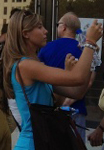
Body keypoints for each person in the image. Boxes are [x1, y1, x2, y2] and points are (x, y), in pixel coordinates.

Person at [1, 9, 102, 150]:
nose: (46, 31)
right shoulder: (26, 66)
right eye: (39, 27)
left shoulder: (34, 65)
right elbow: (77, 78)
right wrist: (90, 43)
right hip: (33, 143)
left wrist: (69, 72)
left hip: (43, 141)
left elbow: (76, 92)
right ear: (25, 34)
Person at [38, 11, 95, 140]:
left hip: (50, 109)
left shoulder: (46, 48)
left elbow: (41, 79)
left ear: (63, 27)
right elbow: (90, 81)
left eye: (58, 24)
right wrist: (69, 100)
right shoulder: (85, 51)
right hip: (77, 109)